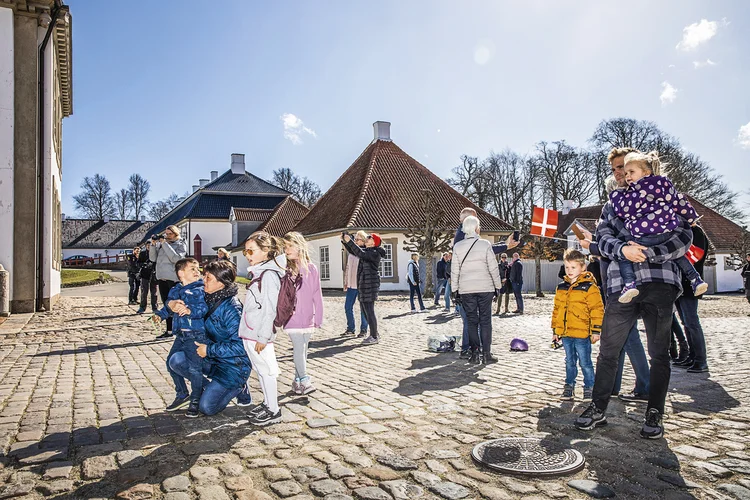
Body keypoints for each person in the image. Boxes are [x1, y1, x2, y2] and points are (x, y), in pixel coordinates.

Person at [574, 147, 693, 439]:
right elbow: (602, 239)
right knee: (609, 350)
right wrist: (623, 249)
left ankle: (654, 411)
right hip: (620, 285)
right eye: (616, 170)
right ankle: (598, 407)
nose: (620, 174)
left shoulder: (665, 197)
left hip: (660, 281)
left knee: (658, 352)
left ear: (644, 170)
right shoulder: (612, 205)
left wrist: (651, 252)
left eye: (625, 168)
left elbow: (685, 235)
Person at [609, 151, 706, 303]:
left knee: (625, 253)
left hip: (646, 233)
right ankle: (695, 279)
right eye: (625, 172)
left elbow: (625, 210)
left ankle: (629, 283)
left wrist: (616, 197)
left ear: (645, 172)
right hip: (666, 230)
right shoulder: (663, 183)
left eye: (630, 172)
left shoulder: (634, 191)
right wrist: (691, 217)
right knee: (678, 255)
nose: (627, 176)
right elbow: (678, 201)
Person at [169, 259, 251, 416]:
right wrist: (172, 304)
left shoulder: (232, 309)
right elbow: (175, 297)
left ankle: (239, 386)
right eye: (204, 275)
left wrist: (208, 349)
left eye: (208, 278)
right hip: (213, 360)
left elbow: (241, 346)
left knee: (206, 407)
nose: (203, 279)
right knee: (176, 360)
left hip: (233, 365)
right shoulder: (204, 297)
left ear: (221, 283)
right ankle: (206, 386)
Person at [238, 231, 287, 426]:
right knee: (260, 370)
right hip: (252, 331)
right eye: (245, 251)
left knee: (266, 371)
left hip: (259, 333)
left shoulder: (268, 275)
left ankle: (274, 410)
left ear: (266, 251)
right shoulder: (259, 272)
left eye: (251, 250)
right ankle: (268, 403)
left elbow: (270, 309)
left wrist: (263, 337)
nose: (247, 254)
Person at [152, 258, 208, 417]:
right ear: (181, 273)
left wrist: (190, 310)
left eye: (198, 268)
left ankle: (196, 400)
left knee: (194, 369)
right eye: (193, 269)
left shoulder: (199, 289)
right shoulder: (176, 289)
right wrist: (160, 315)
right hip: (181, 335)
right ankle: (182, 393)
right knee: (170, 363)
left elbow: (203, 308)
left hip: (196, 334)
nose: (197, 271)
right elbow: (169, 307)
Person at [551, 249, 603, 401]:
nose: (569, 271)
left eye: (573, 267)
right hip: (566, 333)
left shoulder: (589, 287)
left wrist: (596, 330)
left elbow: (597, 310)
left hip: (582, 333)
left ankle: (589, 387)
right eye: (567, 267)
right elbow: (557, 310)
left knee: (585, 362)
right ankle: (569, 386)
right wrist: (555, 329)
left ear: (583, 267)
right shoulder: (561, 288)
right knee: (569, 361)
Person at [451, 216, 503, 365]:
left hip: (466, 289)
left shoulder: (458, 247)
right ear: (476, 228)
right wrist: (497, 286)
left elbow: (455, 271)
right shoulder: (485, 244)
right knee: (485, 321)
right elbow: (493, 267)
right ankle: (486, 354)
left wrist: (455, 290)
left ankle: (474, 354)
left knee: (472, 321)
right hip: (485, 288)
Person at [283, 232, 323, 395]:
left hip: (307, 317)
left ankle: (297, 380)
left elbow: (316, 294)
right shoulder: (285, 268)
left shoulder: (311, 268)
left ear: (300, 246)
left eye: (290, 245)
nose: (286, 249)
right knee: (299, 348)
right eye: (285, 246)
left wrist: (318, 316)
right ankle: (305, 379)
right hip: (291, 317)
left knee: (303, 350)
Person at [674, 223, 710, 373]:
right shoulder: (681, 231)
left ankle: (701, 360)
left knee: (692, 322)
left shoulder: (696, 232)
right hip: (679, 283)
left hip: (690, 285)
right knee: (686, 323)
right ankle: (692, 355)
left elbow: (696, 255)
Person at [342, 232, 386, 345]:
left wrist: (350, 241)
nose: (367, 239)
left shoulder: (375, 253)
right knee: (365, 311)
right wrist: (345, 241)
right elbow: (354, 251)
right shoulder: (368, 251)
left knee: (369, 311)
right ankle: (374, 332)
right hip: (364, 285)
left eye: (369, 238)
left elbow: (360, 253)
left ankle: (374, 336)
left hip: (370, 285)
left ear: (374, 242)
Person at [149, 225, 187, 338]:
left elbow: (176, 259)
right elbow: (152, 258)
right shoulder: (162, 244)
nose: (167, 236)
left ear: (175, 234)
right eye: (166, 234)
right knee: (167, 305)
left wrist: (165, 244)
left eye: (170, 234)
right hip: (162, 278)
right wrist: (153, 245)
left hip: (173, 279)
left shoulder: (180, 244)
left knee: (176, 305)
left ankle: (180, 329)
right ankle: (169, 330)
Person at [342, 231, 369, 337]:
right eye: (355, 239)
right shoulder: (352, 253)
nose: (356, 241)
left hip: (362, 285)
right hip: (351, 285)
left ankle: (363, 330)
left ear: (363, 240)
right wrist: (346, 281)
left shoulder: (365, 253)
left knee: (363, 309)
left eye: (357, 239)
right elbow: (348, 268)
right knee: (347, 306)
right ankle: (350, 328)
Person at [137, 241, 158, 314]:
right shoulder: (142, 253)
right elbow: (138, 263)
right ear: (146, 246)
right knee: (144, 292)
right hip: (145, 274)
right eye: (147, 245)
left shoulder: (156, 253)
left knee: (154, 292)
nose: (149, 247)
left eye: (150, 245)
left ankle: (154, 307)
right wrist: (144, 264)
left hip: (153, 275)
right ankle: (142, 307)